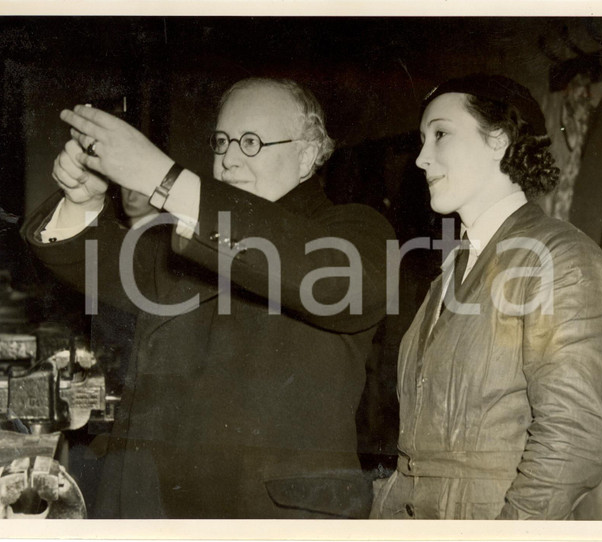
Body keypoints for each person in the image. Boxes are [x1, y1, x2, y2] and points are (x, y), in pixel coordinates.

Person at [21, 77, 395, 518]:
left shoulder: (352, 229)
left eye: (251, 142)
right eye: (222, 142)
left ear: (308, 155)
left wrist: (164, 179)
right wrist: (82, 202)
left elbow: (329, 279)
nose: (229, 160)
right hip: (153, 505)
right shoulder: (190, 234)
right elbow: (104, 265)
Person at [370, 74, 602, 520]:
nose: (422, 158)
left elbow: (572, 441)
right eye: (422, 140)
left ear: (498, 141)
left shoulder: (558, 258)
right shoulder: (454, 265)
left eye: (441, 135)